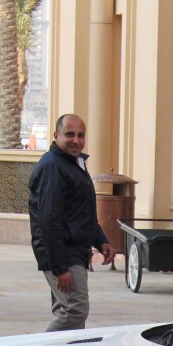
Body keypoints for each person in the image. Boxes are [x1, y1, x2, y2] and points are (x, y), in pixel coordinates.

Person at [28, 113, 113, 331]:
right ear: (56, 136)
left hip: (76, 251)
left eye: (80, 135)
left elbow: (82, 211)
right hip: (64, 254)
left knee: (68, 311)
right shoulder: (52, 167)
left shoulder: (75, 164)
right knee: (74, 310)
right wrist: (59, 267)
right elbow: (49, 220)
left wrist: (100, 240)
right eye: (69, 135)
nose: (76, 140)